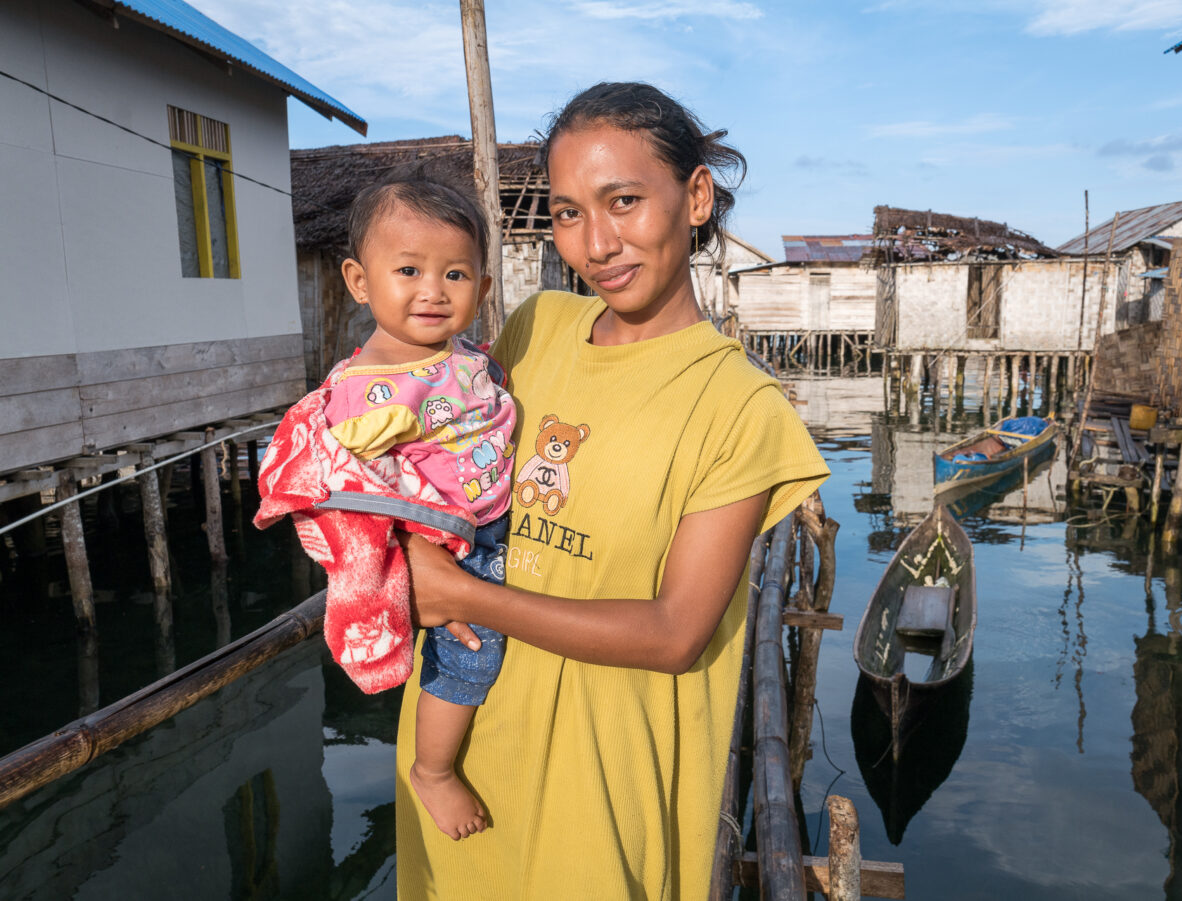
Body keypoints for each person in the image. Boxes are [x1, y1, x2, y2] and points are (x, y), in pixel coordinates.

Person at [394, 82, 830, 898]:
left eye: (623, 201)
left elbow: (674, 633)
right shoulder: (537, 328)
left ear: (695, 196)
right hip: (459, 749)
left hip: (600, 793)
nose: (596, 244)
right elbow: (438, 455)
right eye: (567, 213)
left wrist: (461, 595)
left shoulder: (741, 408)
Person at [256, 178, 515, 841]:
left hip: (488, 514)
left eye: (454, 273)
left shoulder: (449, 353)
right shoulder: (369, 393)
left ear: (482, 290)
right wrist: (408, 563)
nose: (432, 289)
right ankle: (434, 769)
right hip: (454, 543)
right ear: (359, 280)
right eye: (408, 270)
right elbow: (351, 494)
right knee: (470, 656)